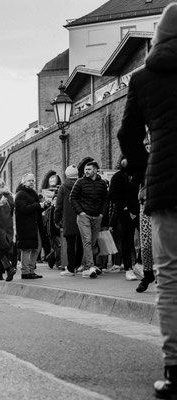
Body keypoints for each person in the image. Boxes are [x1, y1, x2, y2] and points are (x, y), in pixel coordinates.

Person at [116, 4, 177, 396]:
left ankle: (174, 370)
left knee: (170, 278)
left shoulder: (142, 78)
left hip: (166, 186)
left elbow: (126, 135)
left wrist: (142, 170)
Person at [70, 161, 108, 279]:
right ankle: (91, 266)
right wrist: (80, 212)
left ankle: (85, 266)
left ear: (96, 170)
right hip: (84, 216)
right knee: (87, 241)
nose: (86, 171)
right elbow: (72, 197)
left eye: (89, 169)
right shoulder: (80, 182)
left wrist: (102, 214)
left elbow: (106, 200)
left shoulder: (102, 183)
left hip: (97, 216)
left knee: (92, 242)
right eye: (86, 169)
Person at [108, 161, 140, 280]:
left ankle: (140, 264)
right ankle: (128, 268)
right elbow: (112, 194)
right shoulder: (118, 177)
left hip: (139, 210)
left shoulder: (138, 175)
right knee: (127, 240)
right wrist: (123, 207)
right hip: (126, 212)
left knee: (147, 238)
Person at [15, 173, 48, 279]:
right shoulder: (20, 194)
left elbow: (36, 209)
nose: (32, 183)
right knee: (27, 248)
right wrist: (38, 205)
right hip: (25, 226)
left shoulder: (33, 193)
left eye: (33, 181)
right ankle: (25, 272)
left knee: (37, 248)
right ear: (23, 182)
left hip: (35, 225)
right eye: (29, 181)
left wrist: (44, 206)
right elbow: (23, 209)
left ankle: (31, 269)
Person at [55, 165, 83, 277]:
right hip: (82, 217)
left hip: (68, 218)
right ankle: (78, 265)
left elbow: (59, 205)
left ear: (67, 175)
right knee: (81, 243)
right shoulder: (82, 185)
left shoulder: (63, 187)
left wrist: (56, 220)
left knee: (70, 244)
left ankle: (71, 268)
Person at [0, 179, 16, 281]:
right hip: (8, 225)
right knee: (4, 249)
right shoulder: (10, 197)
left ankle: (7, 269)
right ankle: (1, 273)